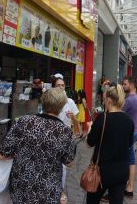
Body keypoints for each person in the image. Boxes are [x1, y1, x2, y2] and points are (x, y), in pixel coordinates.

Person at [0, 88, 75, 204]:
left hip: (21, 190)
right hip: (49, 192)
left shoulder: (23, 122)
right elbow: (69, 162)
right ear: (61, 107)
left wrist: (20, 154)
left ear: (42, 102)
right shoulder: (65, 132)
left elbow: (1, 154)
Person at [86, 84, 134, 204]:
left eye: (104, 99)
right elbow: (128, 144)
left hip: (102, 171)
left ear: (108, 100)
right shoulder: (129, 120)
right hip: (122, 171)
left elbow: (88, 143)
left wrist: (89, 128)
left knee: (92, 201)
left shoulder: (103, 118)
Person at [53, 74, 79, 202]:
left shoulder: (70, 102)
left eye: (63, 85)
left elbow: (77, 124)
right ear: (53, 87)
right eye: (58, 85)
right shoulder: (51, 102)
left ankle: (61, 190)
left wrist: (73, 117)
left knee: (63, 168)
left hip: (65, 140)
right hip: (51, 139)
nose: (61, 87)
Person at [122, 76, 137, 198]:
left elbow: (116, 112)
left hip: (129, 133)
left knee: (127, 160)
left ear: (131, 85)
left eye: (125, 84)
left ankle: (126, 186)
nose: (123, 86)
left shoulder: (130, 100)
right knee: (130, 160)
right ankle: (129, 186)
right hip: (134, 132)